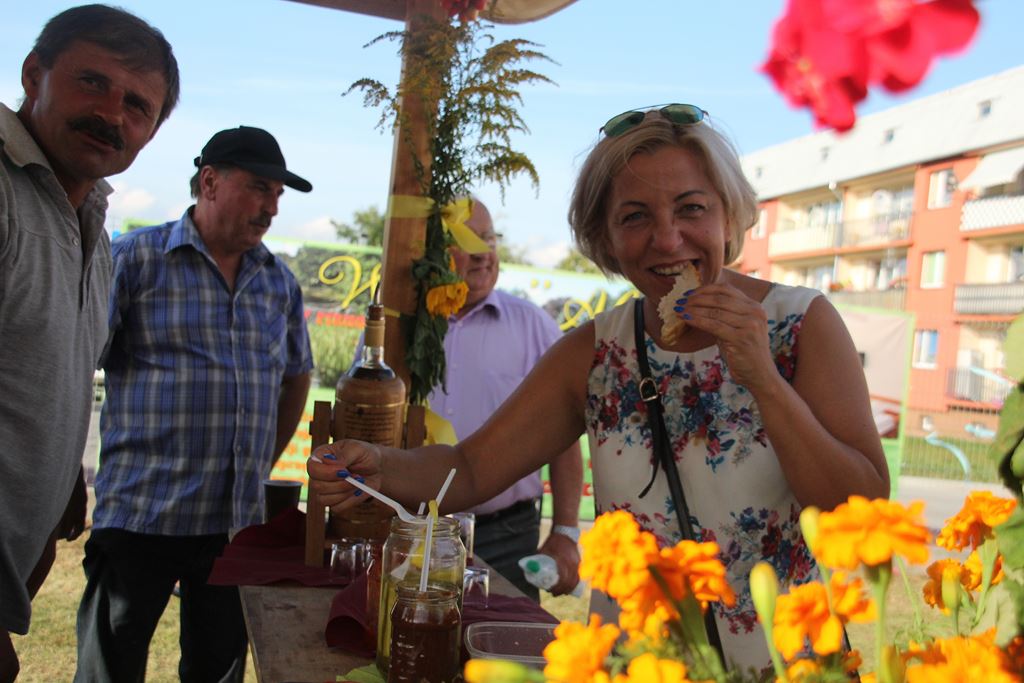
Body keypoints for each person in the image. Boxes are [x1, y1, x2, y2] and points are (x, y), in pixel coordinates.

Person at [307, 105, 889, 672]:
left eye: (691, 208)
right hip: (639, 663)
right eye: (634, 217)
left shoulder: (800, 325)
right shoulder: (595, 351)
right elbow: (473, 468)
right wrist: (380, 467)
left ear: (730, 218)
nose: (667, 239)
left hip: (788, 662)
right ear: (606, 240)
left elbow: (861, 512)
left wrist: (764, 379)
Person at [74, 126, 315, 683]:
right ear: (209, 182)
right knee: (108, 671)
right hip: (141, 514)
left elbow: (296, 376)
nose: (272, 208)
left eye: (278, 195)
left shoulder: (278, 282)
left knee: (217, 672)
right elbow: (76, 363)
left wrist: (257, 463)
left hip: (232, 527)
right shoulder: (136, 259)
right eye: (259, 188)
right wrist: (64, 473)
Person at [0, 5, 178, 681]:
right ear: (33, 74)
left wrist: (65, 471)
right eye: (92, 82)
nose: (111, 113)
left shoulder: (95, 230)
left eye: (137, 105)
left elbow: (49, 367)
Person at [430, 197, 584, 600]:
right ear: (431, 249)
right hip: (413, 532)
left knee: (506, 638)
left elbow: (564, 435)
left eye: (489, 239)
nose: (484, 254)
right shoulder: (399, 325)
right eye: (467, 241)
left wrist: (566, 531)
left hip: (506, 536)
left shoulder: (534, 326)